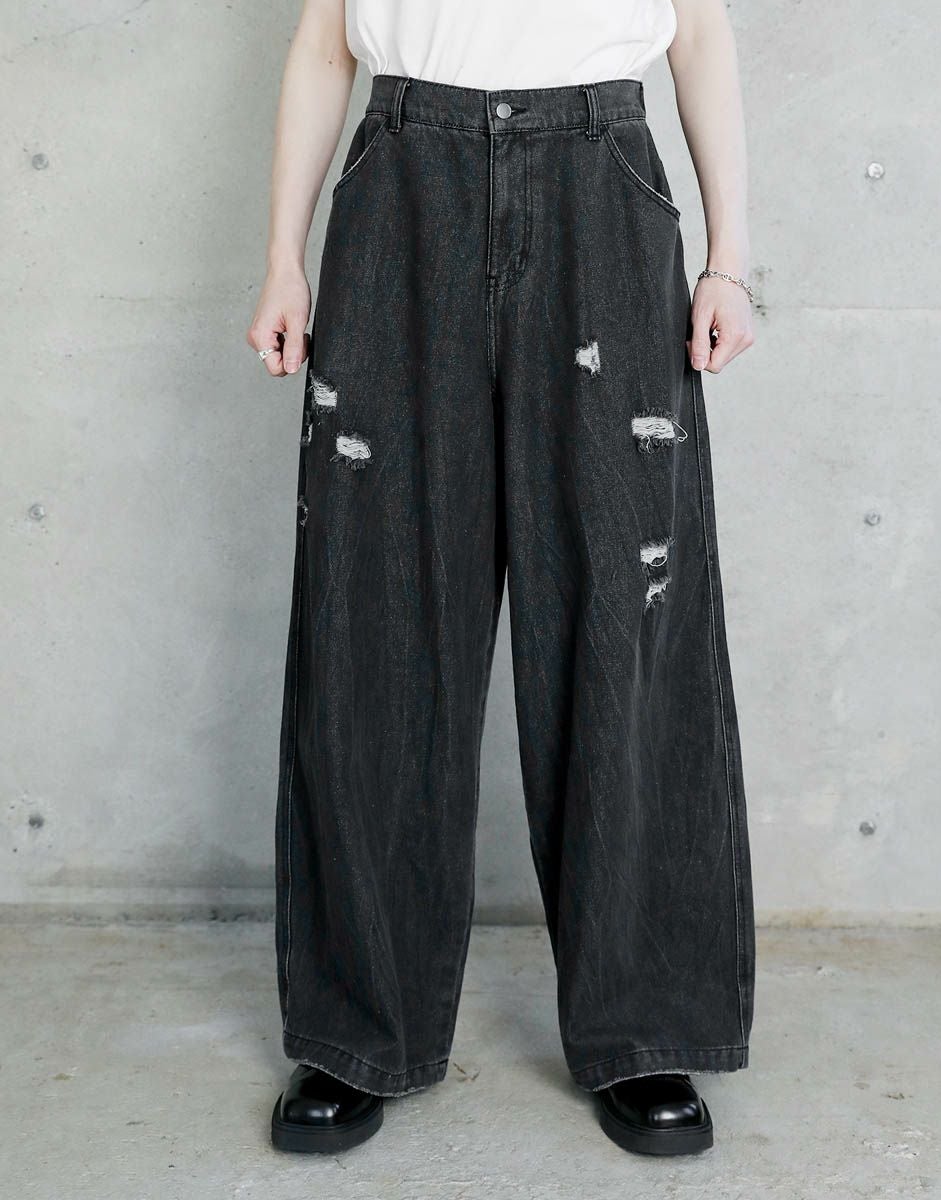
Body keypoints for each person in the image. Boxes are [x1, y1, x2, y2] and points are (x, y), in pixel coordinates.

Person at [247, 0, 756, 1158]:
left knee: (625, 614)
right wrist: (282, 258)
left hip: (600, 183)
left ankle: (645, 1024)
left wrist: (728, 259)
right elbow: (324, 41)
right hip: (401, 182)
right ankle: (355, 1030)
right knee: (374, 615)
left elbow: (700, 34)